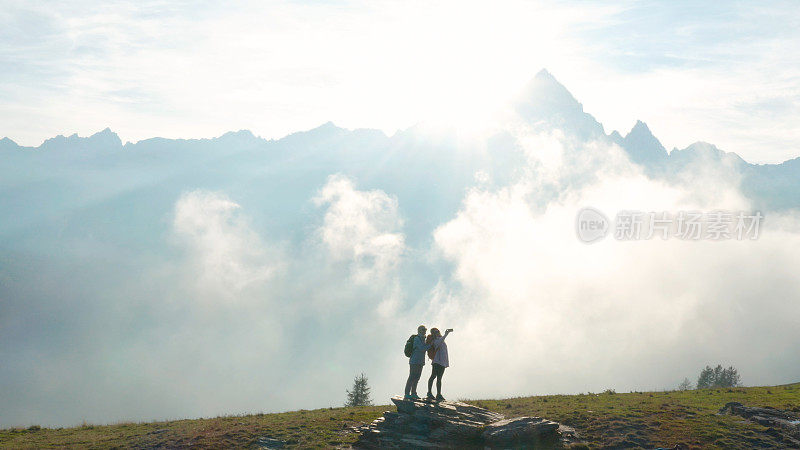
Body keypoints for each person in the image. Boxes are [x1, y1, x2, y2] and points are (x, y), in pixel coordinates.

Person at [404, 325, 430, 400]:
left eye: (425, 329)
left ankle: (413, 393)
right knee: (412, 377)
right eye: (423, 329)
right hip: (414, 361)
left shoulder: (423, 339)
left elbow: (423, 348)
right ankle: (407, 394)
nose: (424, 331)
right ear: (419, 330)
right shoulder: (417, 338)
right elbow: (422, 348)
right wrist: (430, 345)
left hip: (420, 361)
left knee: (417, 377)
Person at [426, 327, 452, 401]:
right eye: (435, 332)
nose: (437, 332)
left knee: (439, 378)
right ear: (433, 334)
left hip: (442, 362)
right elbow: (439, 342)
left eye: (437, 331)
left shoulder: (441, 340)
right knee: (433, 376)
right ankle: (429, 393)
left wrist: (446, 362)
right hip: (436, 362)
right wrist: (446, 334)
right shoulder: (434, 341)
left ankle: (438, 394)